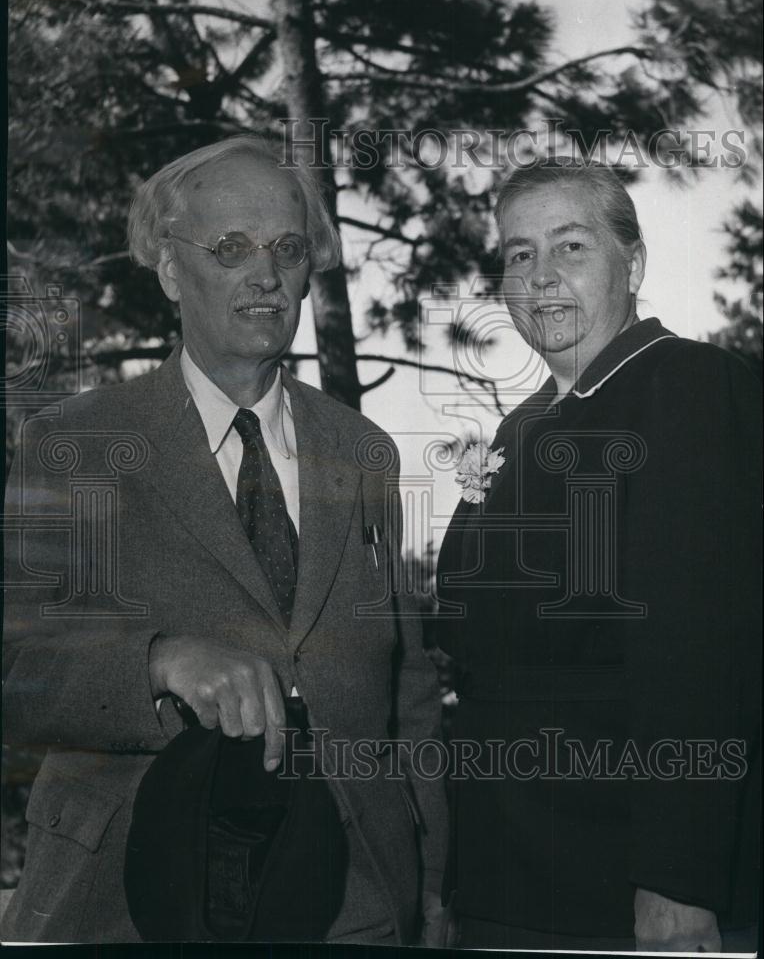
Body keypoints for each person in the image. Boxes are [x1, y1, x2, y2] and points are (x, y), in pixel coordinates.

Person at [2, 135, 448, 945]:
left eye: (287, 248)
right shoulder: (78, 441)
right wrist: (158, 660)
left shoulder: (365, 452)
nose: (266, 275)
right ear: (172, 271)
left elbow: (409, 693)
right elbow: (14, 673)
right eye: (231, 249)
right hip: (137, 897)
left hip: (358, 902)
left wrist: (434, 885)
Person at [436, 158, 761, 952]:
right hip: (510, 866)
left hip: (618, 876)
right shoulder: (527, 426)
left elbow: (698, 656)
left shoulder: (683, 386)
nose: (540, 276)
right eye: (519, 254)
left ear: (634, 263)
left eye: (570, 247)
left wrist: (677, 883)